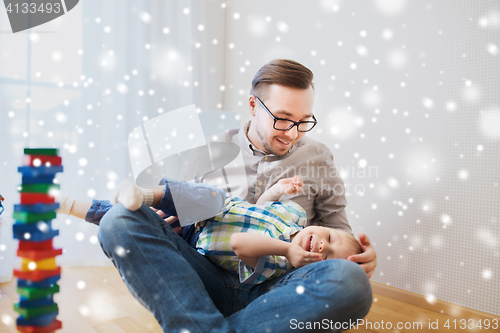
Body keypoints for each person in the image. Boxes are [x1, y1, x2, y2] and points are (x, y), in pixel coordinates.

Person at [60, 59, 376, 332]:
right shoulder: (209, 153)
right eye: (282, 119)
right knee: (118, 220)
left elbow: (337, 228)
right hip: (204, 279)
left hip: (278, 288)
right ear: (254, 105)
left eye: (303, 121)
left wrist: (358, 257)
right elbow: (177, 222)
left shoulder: (318, 157)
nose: (292, 133)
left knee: (351, 281)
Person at [59, 176, 362, 286]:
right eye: (331, 239)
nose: (323, 248)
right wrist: (276, 190)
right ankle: (142, 192)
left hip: (195, 240)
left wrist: (287, 249)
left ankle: (70, 205)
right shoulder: (294, 213)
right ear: (320, 225)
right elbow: (259, 206)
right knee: (211, 196)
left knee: (132, 219)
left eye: (328, 258)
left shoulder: (279, 264)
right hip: (216, 208)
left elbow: (239, 242)